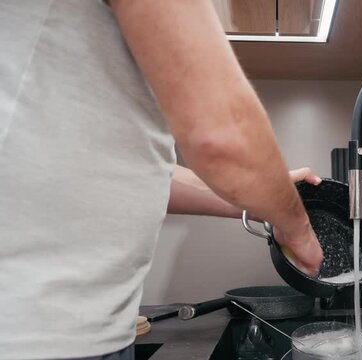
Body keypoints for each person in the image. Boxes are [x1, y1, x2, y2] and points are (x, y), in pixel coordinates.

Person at [0, 0, 324, 359]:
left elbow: (146, 172)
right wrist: (297, 225)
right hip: (32, 327)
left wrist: (264, 202)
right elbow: (222, 134)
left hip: (65, 326)